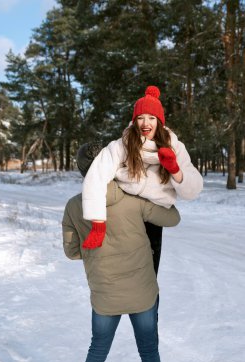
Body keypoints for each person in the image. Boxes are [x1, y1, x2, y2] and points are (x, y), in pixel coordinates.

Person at [62, 142, 181, 362]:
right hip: (143, 294)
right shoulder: (133, 197)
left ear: (81, 170)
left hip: (105, 295)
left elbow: (72, 251)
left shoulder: (75, 207)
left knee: (97, 352)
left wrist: (95, 253)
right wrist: (156, 191)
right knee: (149, 351)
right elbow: (173, 218)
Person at [81, 85, 203, 250]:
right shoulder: (122, 145)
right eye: (140, 118)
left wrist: (175, 170)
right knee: (125, 267)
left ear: (159, 121)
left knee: (149, 272)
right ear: (134, 121)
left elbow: (193, 191)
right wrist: (97, 222)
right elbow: (97, 175)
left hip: (154, 217)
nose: (146, 123)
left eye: (151, 118)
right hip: (124, 210)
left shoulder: (175, 147)